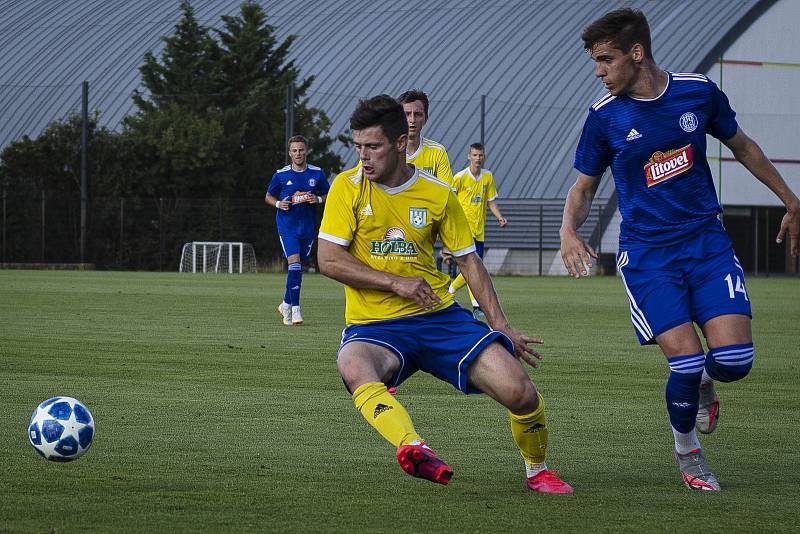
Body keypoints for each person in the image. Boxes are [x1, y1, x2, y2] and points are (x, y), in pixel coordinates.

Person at [560, 8, 799, 492]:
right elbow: (583, 189)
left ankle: (706, 385)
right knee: (685, 364)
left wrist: (791, 200)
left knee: (734, 363)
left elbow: (744, 145)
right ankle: (689, 455)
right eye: (595, 62)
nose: (598, 71)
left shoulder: (697, 91)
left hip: (707, 244)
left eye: (605, 60)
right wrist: (567, 230)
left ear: (637, 53)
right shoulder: (603, 118)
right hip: (648, 255)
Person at [317, 95, 573, 493]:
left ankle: (537, 470)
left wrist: (501, 325)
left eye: (374, 147)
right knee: (352, 364)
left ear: (401, 143)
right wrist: (396, 283)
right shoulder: (346, 188)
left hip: (438, 317)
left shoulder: (437, 193)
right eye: (358, 147)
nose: (363, 157)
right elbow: (329, 260)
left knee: (520, 392)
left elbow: (470, 262)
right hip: (375, 325)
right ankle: (412, 446)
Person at [265, 135, 330, 326]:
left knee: (298, 268)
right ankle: (295, 310)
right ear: (289, 152)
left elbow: (328, 194)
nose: (298, 153)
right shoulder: (281, 175)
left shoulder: (317, 174)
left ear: (306, 151)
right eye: (294, 150)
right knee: (294, 265)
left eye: (301, 150)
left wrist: (317, 200)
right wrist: (278, 204)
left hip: (308, 228)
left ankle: (285, 303)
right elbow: (268, 196)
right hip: (287, 227)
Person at [448, 142, 508, 320]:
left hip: (479, 230)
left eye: (480, 155)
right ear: (469, 156)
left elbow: (490, 201)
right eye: (474, 155)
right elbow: (450, 199)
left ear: (484, 156)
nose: (478, 158)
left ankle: (449, 290)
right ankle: (476, 305)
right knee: (473, 266)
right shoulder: (459, 177)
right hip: (464, 229)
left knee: (473, 267)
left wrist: (499, 217)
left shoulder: (487, 177)